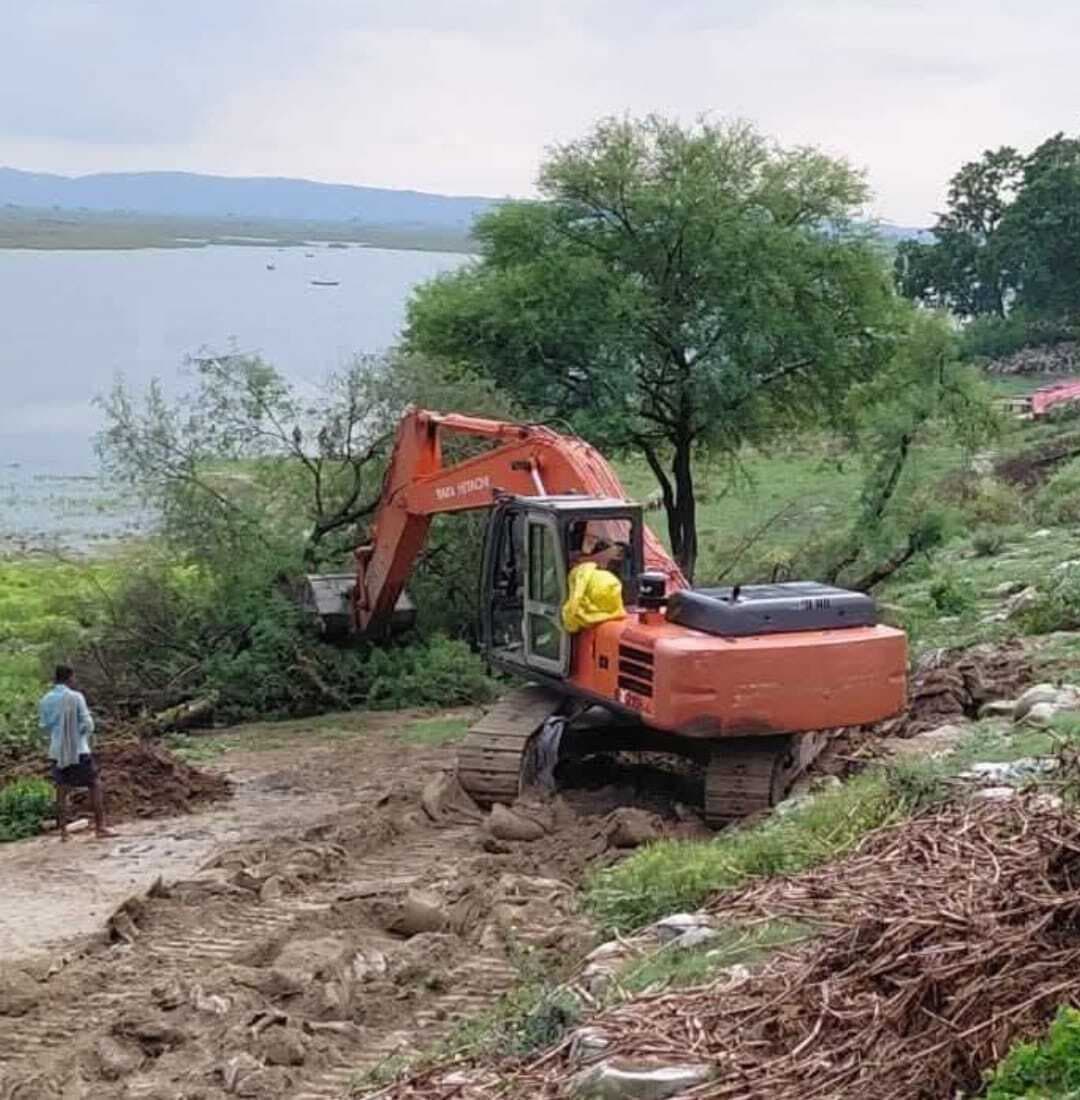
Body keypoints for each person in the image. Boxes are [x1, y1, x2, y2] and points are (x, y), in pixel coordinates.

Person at [39, 665, 113, 841]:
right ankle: (100, 827)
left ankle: (64, 833)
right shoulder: (75, 697)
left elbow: (44, 727)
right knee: (94, 784)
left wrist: (59, 734)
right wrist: (79, 734)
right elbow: (88, 724)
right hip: (78, 749)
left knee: (61, 789)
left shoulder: (45, 700)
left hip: (57, 750)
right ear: (69, 678)